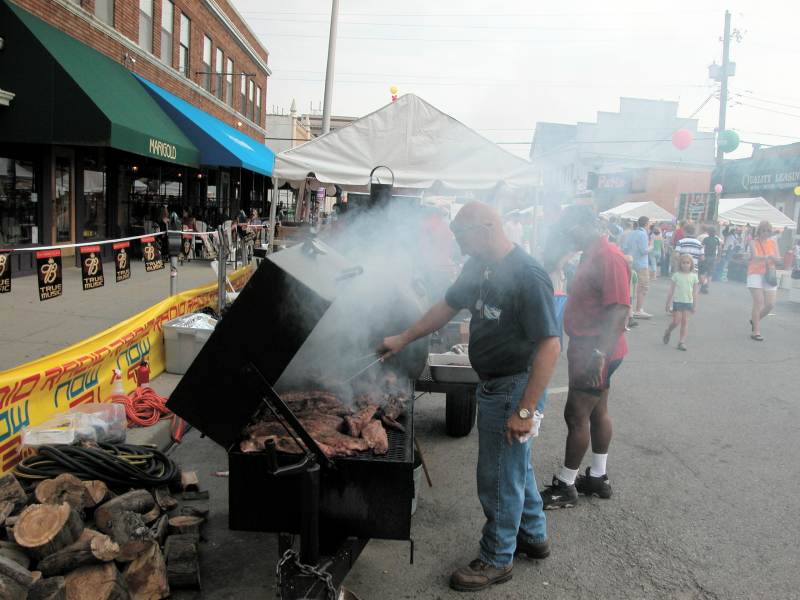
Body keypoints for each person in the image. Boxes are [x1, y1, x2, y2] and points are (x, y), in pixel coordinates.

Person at [380, 202, 560, 592]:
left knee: (497, 475)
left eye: (462, 239)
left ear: (487, 228)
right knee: (516, 466)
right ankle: (534, 535)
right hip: (494, 382)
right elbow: (447, 306)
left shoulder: (529, 275)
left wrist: (526, 410)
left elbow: (550, 346)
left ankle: (497, 558)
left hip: (516, 385)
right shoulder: (479, 266)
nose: (459, 248)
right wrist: (404, 338)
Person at [539, 205, 630, 509]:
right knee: (597, 411)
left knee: (576, 415)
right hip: (593, 348)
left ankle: (565, 487)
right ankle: (597, 477)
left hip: (596, 349)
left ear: (584, 225)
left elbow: (619, 309)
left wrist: (598, 355)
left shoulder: (609, 257)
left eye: (570, 230)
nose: (568, 236)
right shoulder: (592, 254)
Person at [746, 220, 780, 341]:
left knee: (770, 304)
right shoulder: (752, 242)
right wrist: (768, 257)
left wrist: (776, 259)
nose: (766, 233)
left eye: (768, 231)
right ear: (759, 230)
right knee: (759, 302)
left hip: (769, 273)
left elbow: (778, 258)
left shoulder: (773, 242)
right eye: (764, 230)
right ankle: (756, 332)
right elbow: (755, 257)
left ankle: (755, 320)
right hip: (755, 273)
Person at [663, 254, 699, 351]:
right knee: (676, 321)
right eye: (683, 263)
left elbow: (695, 292)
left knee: (685, 322)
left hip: (688, 303)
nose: (685, 265)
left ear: (691, 264)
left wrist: (695, 305)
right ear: (680, 264)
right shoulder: (676, 276)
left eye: (688, 263)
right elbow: (671, 290)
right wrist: (667, 303)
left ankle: (681, 342)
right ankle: (668, 330)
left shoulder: (694, 276)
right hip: (678, 302)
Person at [621, 215, 651, 319]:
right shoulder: (643, 234)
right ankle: (639, 309)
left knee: (630, 286)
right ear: (646, 224)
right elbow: (644, 251)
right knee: (643, 287)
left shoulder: (631, 233)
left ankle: (629, 309)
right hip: (641, 264)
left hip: (630, 262)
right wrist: (651, 248)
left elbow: (624, 248)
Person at [699, 226, 721, 293]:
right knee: (710, 273)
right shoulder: (717, 240)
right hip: (713, 258)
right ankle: (707, 286)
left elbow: (702, 247)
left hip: (706, 257)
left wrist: (701, 255)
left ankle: (704, 284)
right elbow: (719, 249)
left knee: (702, 272)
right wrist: (719, 257)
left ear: (708, 232)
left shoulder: (706, 239)